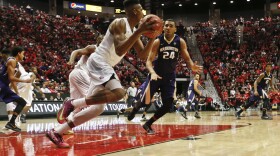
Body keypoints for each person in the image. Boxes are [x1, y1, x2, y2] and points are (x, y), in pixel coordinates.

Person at [46, 0, 158, 148]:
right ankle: (72, 103)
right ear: (136, 11)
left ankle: (57, 132)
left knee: (97, 108)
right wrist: (140, 31)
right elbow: (119, 50)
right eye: (141, 9)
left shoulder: (133, 30)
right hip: (99, 61)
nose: (144, 12)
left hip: (104, 65)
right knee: (119, 93)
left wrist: (152, 38)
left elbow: (143, 56)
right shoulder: (119, 23)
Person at [127, 19, 203, 134]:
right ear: (163, 28)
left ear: (175, 29)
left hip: (169, 78)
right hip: (156, 75)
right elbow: (148, 61)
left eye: (170, 26)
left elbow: (187, 58)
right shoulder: (158, 41)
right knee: (145, 102)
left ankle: (148, 123)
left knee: (167, 106)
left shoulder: (180, 41)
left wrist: (192, 66)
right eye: (166, 25)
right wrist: (152, 72)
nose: (167, 27)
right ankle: (135, 109)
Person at [0, 47, 34, 131]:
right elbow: (11, 78)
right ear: (18, 53)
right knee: (22, 102)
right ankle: (11, 123)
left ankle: (11, 123)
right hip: (2, 85)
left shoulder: (17, 65)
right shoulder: (11, 61)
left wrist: (17, 92)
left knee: (21, 102)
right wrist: (24, 81)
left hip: (5, 86)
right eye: (23, 53)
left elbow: (13, 81)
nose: (24, 56)